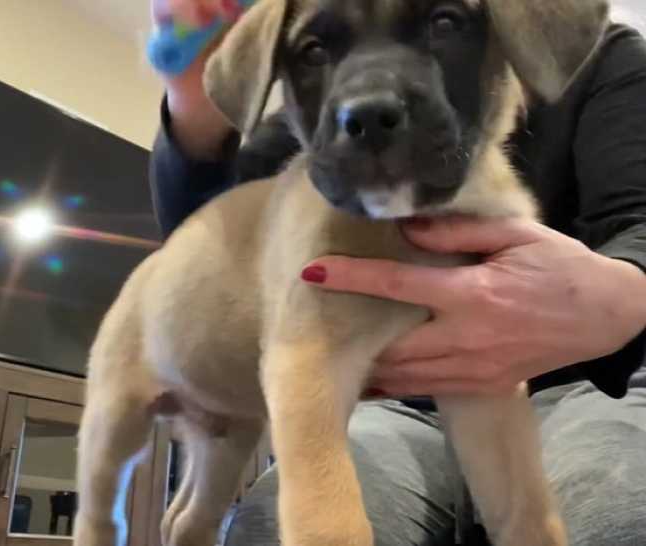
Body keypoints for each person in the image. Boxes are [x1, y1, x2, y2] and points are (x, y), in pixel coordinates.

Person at [149, 1, 646, 544]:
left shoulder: (606, 61)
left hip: (582, 385)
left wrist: (623, 295)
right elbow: (214, 245)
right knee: (271, 524)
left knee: (614, 514)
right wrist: (194, 113)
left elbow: (638, 223)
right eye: (316, 50)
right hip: (396, 400)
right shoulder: (312, 122)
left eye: (442, 23)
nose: (368, 97)